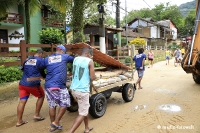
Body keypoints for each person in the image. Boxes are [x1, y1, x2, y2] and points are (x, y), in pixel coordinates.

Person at [44, 45, 74, 132]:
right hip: (59, 85)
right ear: (62, 51)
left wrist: (43, 76)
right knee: (64, 104)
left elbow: (40, 66)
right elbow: (75, 60)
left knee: (52, 105)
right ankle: (56, 123)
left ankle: (53, 126)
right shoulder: (64, 56)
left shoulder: (47, 58)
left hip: (48, 86)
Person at [68, 48, 96, 133]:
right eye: (91, 55)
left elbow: (74, 72)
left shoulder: (76, 59)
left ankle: (87, 128)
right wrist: (95, 76)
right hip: (82, 90)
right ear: (87, 53)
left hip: (74, 89)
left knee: (83, 109)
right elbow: (92, 77)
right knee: (82, 113)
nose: (91, 57)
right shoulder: (89, 61)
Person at [16, 49, 46, 127]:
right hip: (32, 84)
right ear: (40, 54)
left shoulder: (27, 59)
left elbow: (23, 69)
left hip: (22, 84)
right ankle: (37, 115)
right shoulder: (40, 60)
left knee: (22, 102)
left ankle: (19, 121)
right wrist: (44, 77)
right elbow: (42, 72)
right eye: (42, 55)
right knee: (41, 96)